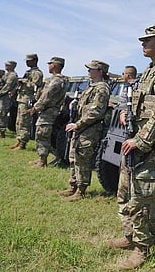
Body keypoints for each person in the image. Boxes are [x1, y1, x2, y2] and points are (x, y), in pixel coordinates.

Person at [105, 23, 155, 270]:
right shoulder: (150, 71)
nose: (143, 44)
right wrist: (128, 116)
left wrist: (140, 141)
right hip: (134, 142)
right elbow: (143, 105)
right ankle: (129, 237)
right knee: (125, 193)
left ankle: (142, 248)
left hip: (147, 146)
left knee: (143, 199)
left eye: (147, 40)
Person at [58, 60, 111, 202]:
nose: (88, 71)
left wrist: (78, 124)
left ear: (100, 71)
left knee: (83, 158)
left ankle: (81, 190)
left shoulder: (102, 88)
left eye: (91, 69)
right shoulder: (91, 87)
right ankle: (73, 185)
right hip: (81, 127)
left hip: (89, 128)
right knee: (74, 156)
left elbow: (96, 111)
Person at [29, 57, 67, 167]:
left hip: (49, 111)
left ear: (54, 65)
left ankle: (42, 161)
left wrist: (35, 107)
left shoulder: (56, 80)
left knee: (42, 134)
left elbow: (46, 96)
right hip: (50, 110)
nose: (48, 66)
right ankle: (41, 158)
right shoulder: (60, 79)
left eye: (50, 64)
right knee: (42, 134)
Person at [10, 54, 44, 150]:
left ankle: (23, 143)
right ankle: (19, 140)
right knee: (19, 121)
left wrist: (24, 82)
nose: (26, 62)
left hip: (28, 99)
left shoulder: (37, 73)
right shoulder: (29, 72)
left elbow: (36, 86)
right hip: (22, 98)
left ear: (34, 61)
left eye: (29, 60)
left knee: (24, 121)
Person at [0, 61, 18, 138]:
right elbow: (0, 84)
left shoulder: (12, 75)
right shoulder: (6, 74)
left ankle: (1, 132)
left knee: (1, 114)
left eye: (8, 65)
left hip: (5, 97)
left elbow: (7, 87)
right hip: (0, 96)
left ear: (13, 66)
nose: (5, 66)